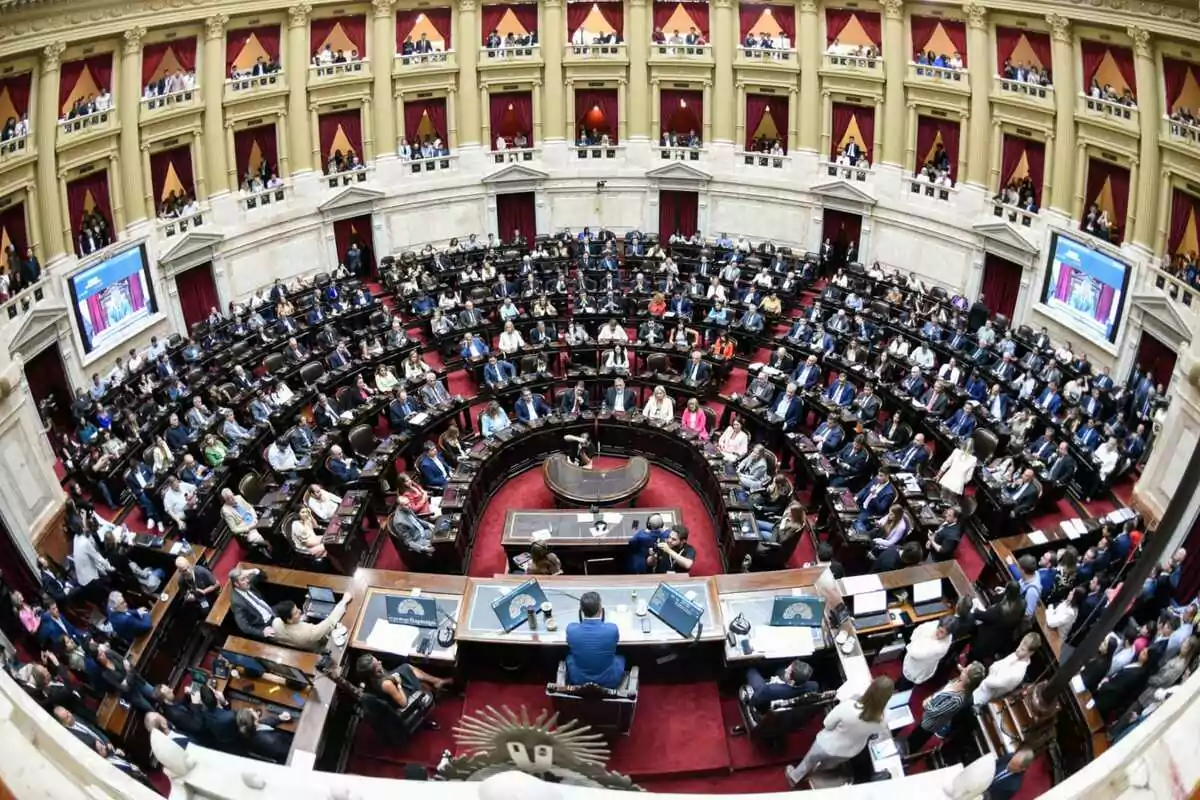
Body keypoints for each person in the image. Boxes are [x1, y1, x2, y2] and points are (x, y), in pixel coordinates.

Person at [785, 676, 892, 786]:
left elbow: (827, 724)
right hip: (848, 751)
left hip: (827, 744)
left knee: (809, 761)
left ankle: (795, 777)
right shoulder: (884, 719)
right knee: (826, 766)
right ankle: (814, 775)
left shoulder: (849, 706)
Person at [900, 661, 986, 754]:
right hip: (929, 711)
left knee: (918, 738)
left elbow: (936, 712)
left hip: (932, 722)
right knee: (916, 730)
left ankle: (907, 752)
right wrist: (932, 698)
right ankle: (906, 743)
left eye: (966, 671)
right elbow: (943, 690)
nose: (963, 669)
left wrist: (927, 704)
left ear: (968, 680)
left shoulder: (957, 699)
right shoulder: (959, 680)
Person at [565, 591, 625, 688]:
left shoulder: (571, 629)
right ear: (601, 609)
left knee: (569, 656)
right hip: (610, 681)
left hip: (578, 680)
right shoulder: (612, 629)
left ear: (581, 610)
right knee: (621, 657)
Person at [973, 633, 1041, 706]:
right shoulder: (1016, 655)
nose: (1018, 649)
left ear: (1030, 653)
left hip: (984, 696)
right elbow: (994, 666)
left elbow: (996, 683)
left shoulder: (1018, 673)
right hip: (981, 687)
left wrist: (988, 678)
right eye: (1020, 645)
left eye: (1022, 649)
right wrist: (993, 673)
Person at [269, 593, 353, 651]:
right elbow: (329, 623)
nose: (300, 611)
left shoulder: (275, 623)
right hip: (319, 647)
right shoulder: (308, 632)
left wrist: (300, 619)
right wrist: (344, 601)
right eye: (295, 613)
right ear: (289, 620)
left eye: (297, 608)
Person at [970, 582, 1025, 664]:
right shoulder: (1023, 604)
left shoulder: (1000, 610)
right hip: (1001, 639)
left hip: (986, 638)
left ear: (1007, 592)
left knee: (974, 655)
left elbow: (981, 615)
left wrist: (976, 609)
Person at [741, 660, 819, 713]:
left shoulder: (769, 689)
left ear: (792, 681)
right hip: (787, 697)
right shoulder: (813, 686)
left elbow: (755, 700)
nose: (785, 670)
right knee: (780, 666)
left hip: (766, 704)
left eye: (787, 671)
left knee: (751, 670)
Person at [229, 567, 277, 638]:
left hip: (271, 611)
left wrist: (251, 570)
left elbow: (261, 575)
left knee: (288, 605)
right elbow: (244, 626)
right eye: (243, 579)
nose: (247, 580)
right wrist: (262, 632)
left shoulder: (246, 584)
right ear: (236, 584)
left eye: (246, 577)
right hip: (265, 623)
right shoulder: (237, 602)